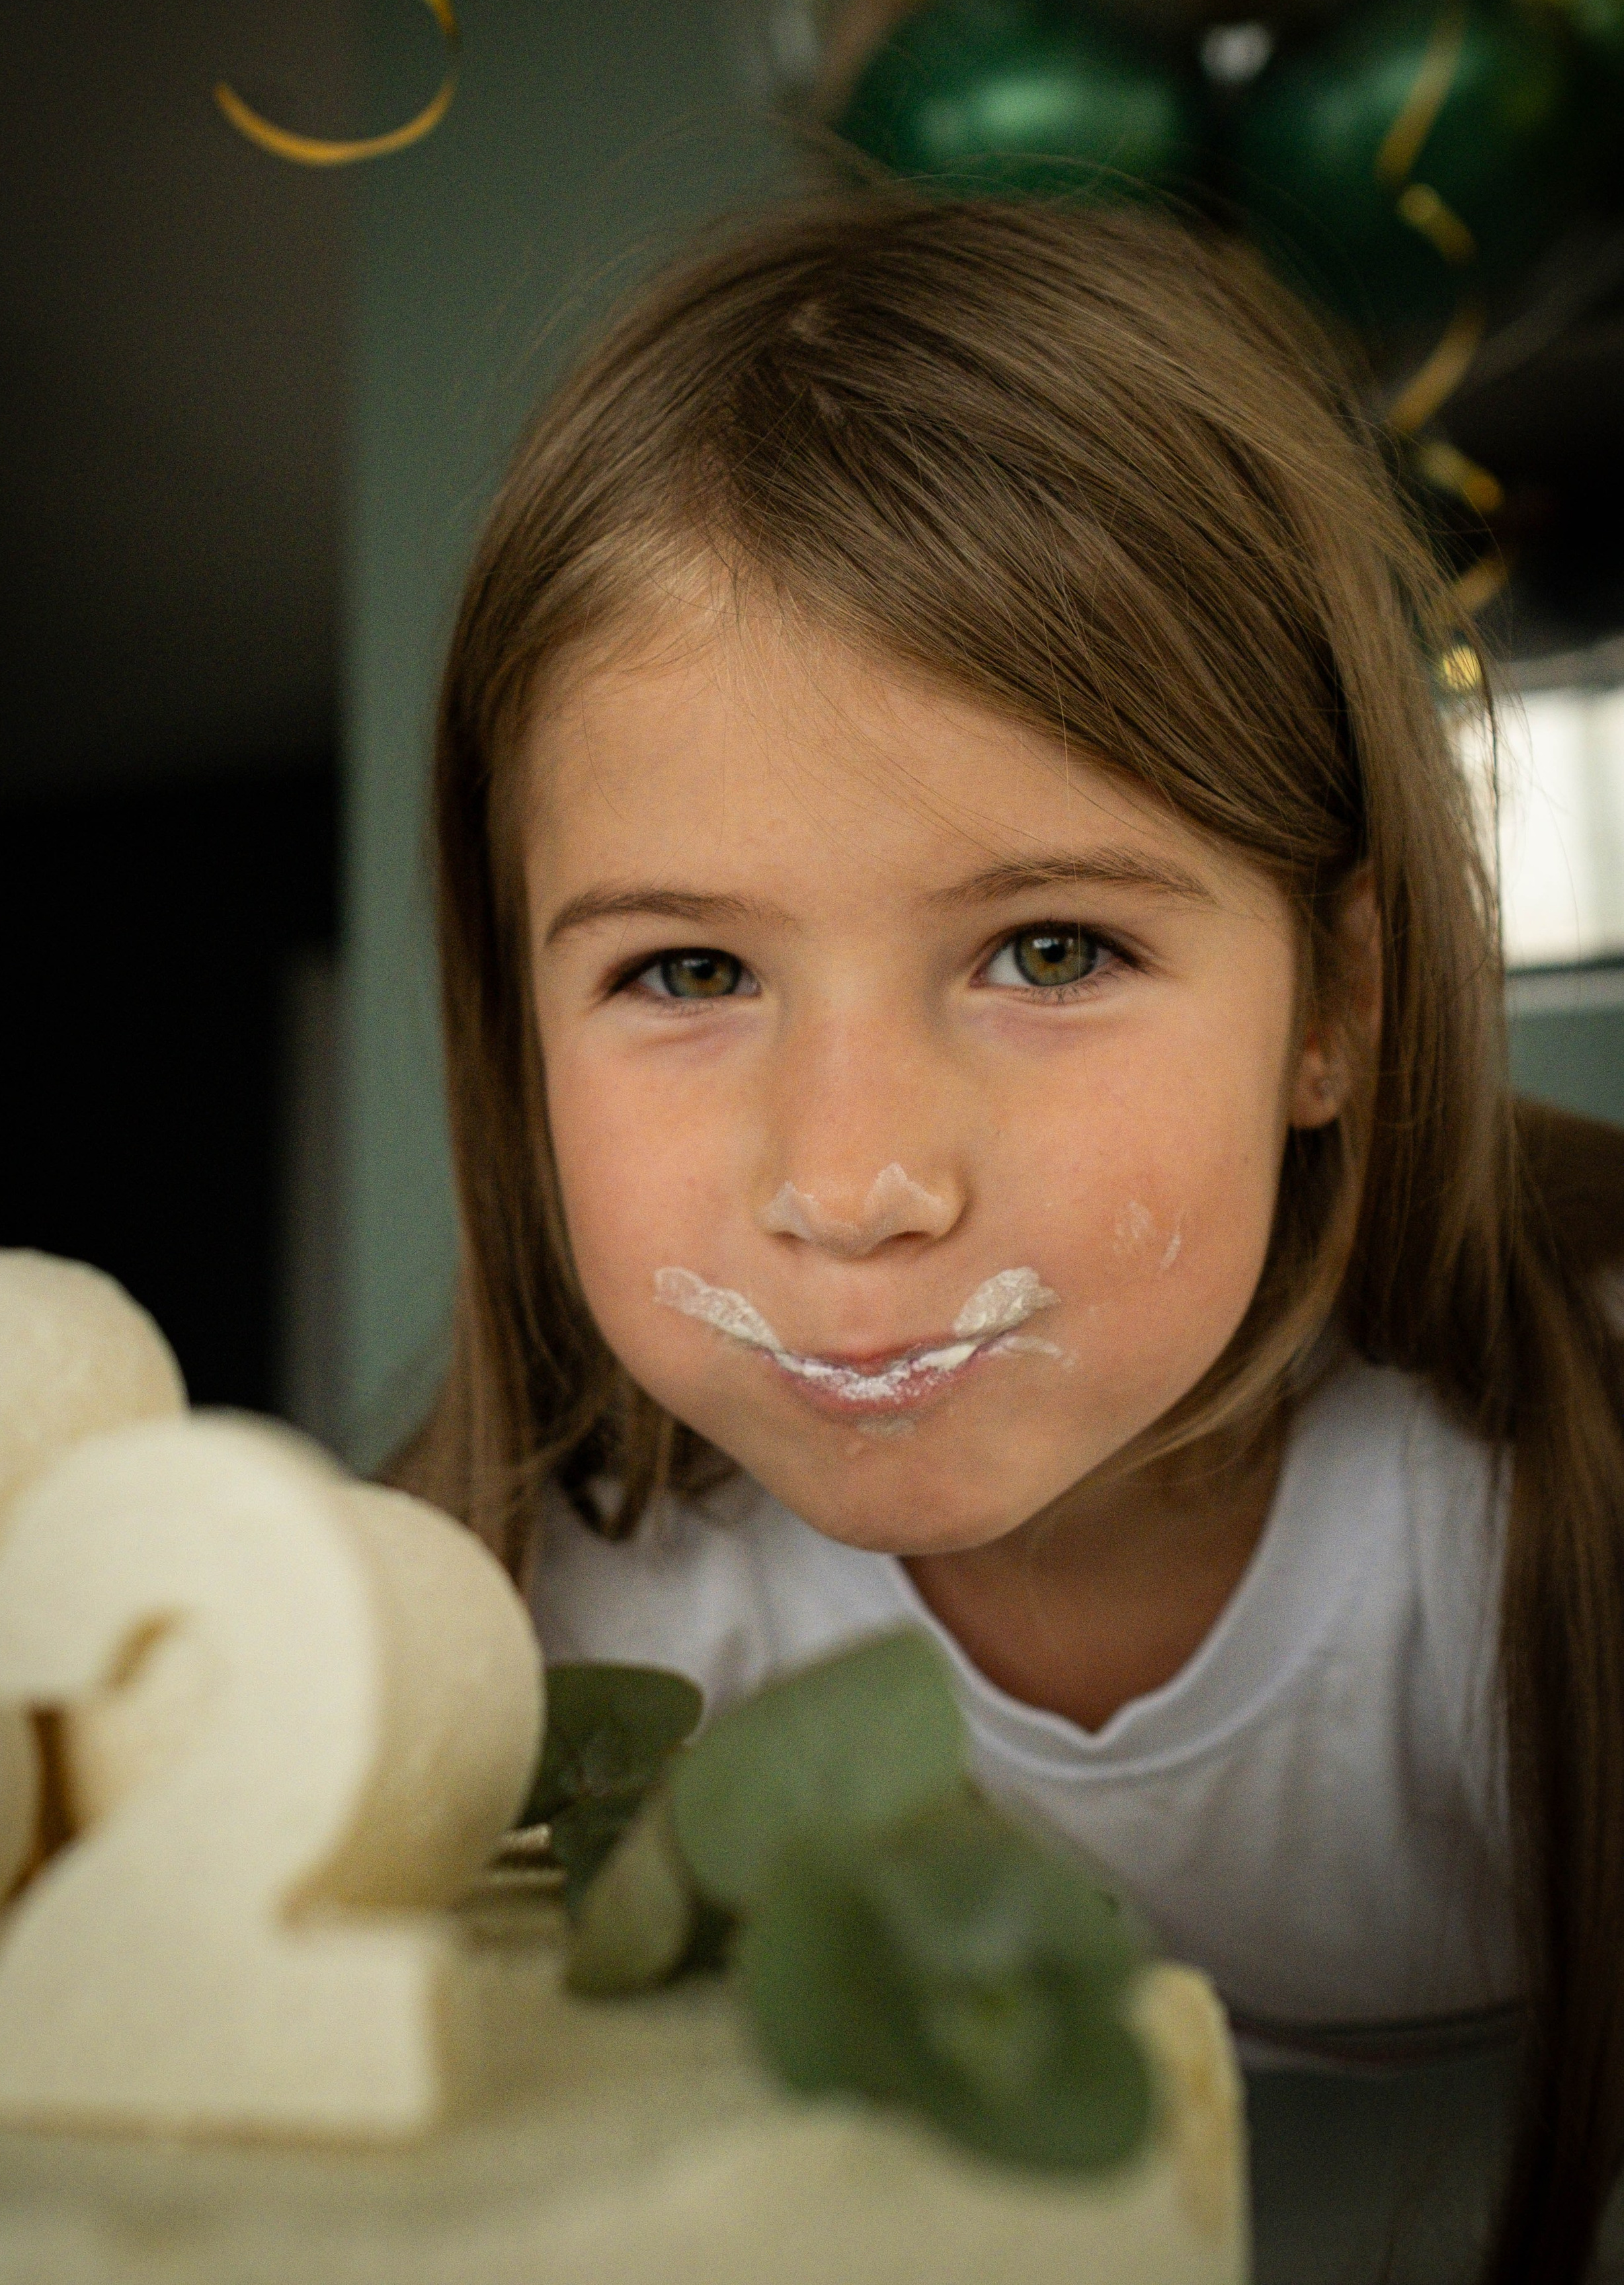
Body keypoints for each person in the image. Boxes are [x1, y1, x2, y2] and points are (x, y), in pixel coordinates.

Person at [387, 191, 1624, 2280]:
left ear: (1335, 1007)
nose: (857, 1178)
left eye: (1051, 946)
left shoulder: (1540, 1537)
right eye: (687, 973)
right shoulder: (560, 1646)